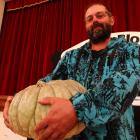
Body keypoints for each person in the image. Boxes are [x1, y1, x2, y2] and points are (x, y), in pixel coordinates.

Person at [3, 3, 140, 140]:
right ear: (86, 25)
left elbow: (126, 83)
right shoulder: (72, 57)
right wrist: (18, 103)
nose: (95, 21)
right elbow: (47, 84)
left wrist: (77, 109)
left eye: (100, 16)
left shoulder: (130, 50)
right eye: (89, 19)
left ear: (111, 20)